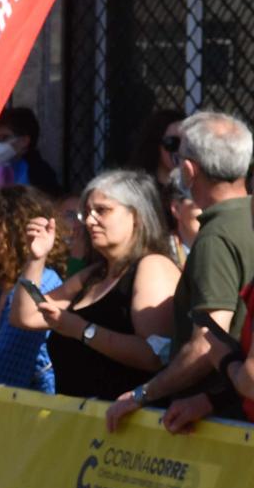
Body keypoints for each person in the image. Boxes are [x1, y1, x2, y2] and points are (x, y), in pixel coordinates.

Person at [106, 110, 254, 433]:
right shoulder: (241, 220)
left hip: (222, 426)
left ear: (188, 170)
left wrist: (143, 394)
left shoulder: (216, 236)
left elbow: (207, 343)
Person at [11, 169, 179, 401]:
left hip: (126, 419)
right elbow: (25, 317)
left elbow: (155, 356)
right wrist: (36, 259)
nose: (89, 221)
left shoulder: (153, 267)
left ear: (136, 215)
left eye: (102, 210)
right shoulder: (94, 275)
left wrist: (81, 329)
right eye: (87, 213)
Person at [0, 184, 62, 393]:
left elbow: (2, 371)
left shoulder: (42, 284)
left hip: (38, 407)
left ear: (14, 230)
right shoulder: (6, 284)